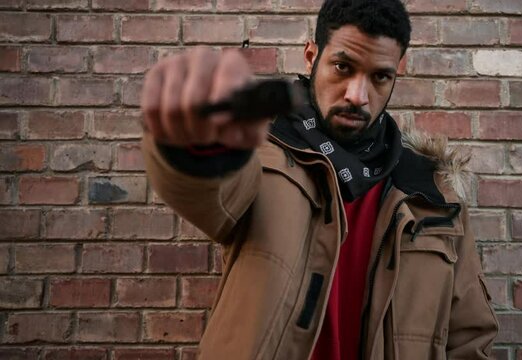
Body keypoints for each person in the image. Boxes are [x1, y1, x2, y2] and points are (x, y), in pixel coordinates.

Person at [140, 0, 498, 359]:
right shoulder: (263, 156)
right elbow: (205, 191)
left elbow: (470, 337)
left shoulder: (434, 194)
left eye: (379, 77)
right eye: (343, 67)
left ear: (397, 73)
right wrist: (186, 137)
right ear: (311, 57)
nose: (357, 96)